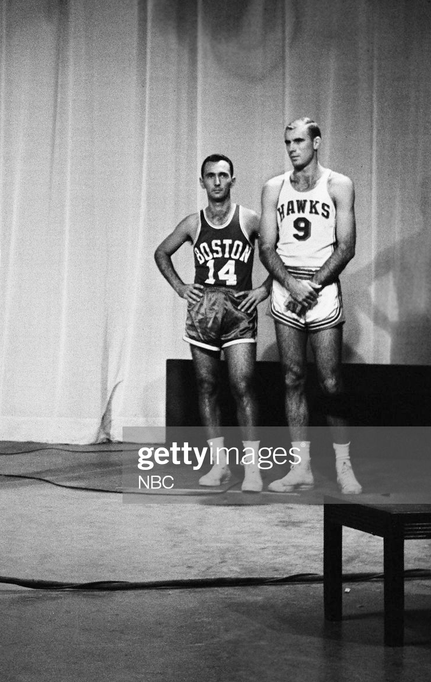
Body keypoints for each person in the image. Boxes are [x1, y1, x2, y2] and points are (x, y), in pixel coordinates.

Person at [258, 118, 361, 494]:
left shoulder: (338, 184)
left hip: (321, 287)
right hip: (288, 286)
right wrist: (290, 284)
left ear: (316, 142)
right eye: (288, 142)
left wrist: (313, 285)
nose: (292, 148)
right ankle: (300, 467)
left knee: (331, 381)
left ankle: (344, 466)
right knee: (292, 377)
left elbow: (346, 246)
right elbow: (267, 247)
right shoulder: (274, 188)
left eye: (299, 140)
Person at [155, 155, 270, 492]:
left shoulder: (248, 219)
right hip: (204, 309)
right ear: (202, 181)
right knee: (206, 385)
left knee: (242, 384)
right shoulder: (193, 223)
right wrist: (180, 287)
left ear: (233, 180)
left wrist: (263, 290)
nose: (217, 182)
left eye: (223, 176)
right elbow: (162, 252)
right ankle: (219, 465)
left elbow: (281, 252)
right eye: (211, 176)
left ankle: (252, 469)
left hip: (237, 308)